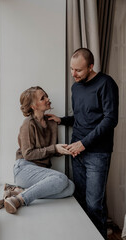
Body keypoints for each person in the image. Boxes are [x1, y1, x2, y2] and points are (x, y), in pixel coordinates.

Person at [47, 48, 119, 239]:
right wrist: (62, 120)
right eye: (71, 69)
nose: (73, 74)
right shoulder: (75, 87)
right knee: (78, 199)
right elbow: (82, 118)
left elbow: (110, 119)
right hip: (76, 151)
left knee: (94, 204)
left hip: (97, 153)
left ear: (91, 66)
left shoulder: (106, 83)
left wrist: (84, 144)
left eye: (78, 70)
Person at [4, 86, 75, 214]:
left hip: (40, 172)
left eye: (46, 96)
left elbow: (51, 150)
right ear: (33, 106)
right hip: (24, 168)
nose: (48, 99)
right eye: (43, 98)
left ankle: (23, 191)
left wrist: (63, 150)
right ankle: (19, 199)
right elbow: (28, 154)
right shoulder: (28, 123)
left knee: (70, 188)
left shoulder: (52, 123)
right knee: (61, 179)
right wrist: (54, 148)